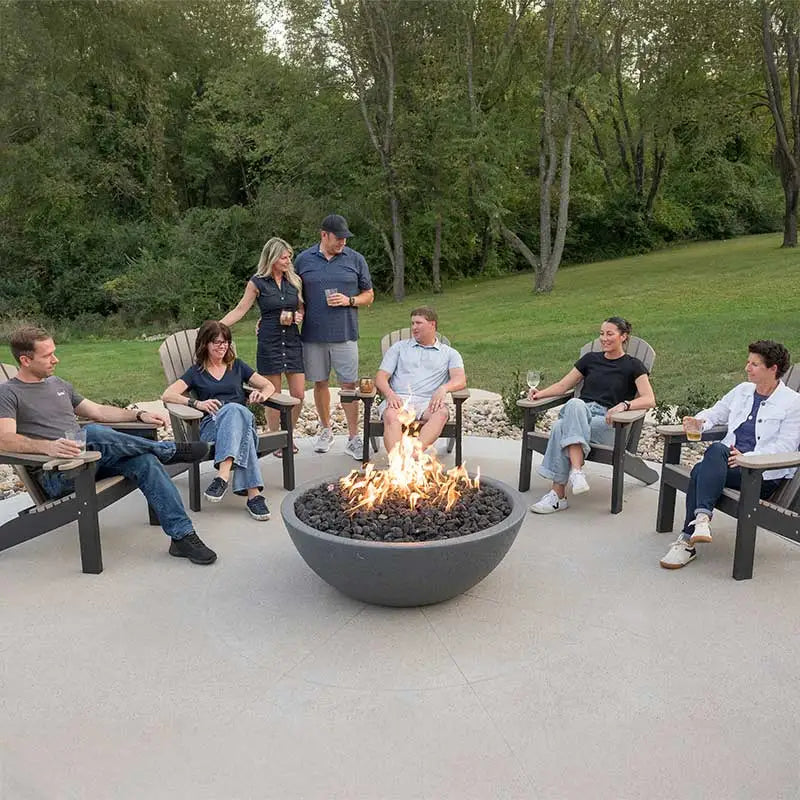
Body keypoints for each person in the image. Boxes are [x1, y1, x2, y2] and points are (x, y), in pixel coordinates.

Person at [0, 327, 217, 565]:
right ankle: (170, 451)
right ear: (25, 360)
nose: (56, 359)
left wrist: (139, 415)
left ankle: (182, 537)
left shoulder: (58, 383)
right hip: (57, 473)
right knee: (91, 432)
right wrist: (48, 447)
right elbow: (5, 439)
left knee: (144, 461)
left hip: (91, 462)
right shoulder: (9, 393)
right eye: (47, 355)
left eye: (54, 352)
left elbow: (98, 411)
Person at [660, 340, 800, 570]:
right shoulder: (743, 391)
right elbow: (717, 412)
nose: (747, 368)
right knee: (715, 453)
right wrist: (700, 421)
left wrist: (749, 458)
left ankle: (688, 538)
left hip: (760, 474)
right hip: (726, 464)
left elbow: (786, 446)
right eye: (748, 362)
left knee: (700, 469)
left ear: (773, 369)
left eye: (754, 364)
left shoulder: (793, 403)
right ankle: (701, 522)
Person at [529, 316, 656, 514]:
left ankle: (558, 495)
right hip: (580, 413)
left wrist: (624, 405)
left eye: (610, 334)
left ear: (623, 336)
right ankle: (576, 474)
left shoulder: (634, 365)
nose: (604, 338)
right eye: (601, 334)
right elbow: (564, 385)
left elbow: (649, 399)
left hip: (608, 422)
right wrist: (539, 394)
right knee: (575, 406)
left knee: (560, 427)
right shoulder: (590, 359)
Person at [161, 321, 276, 521]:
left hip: (241, 421)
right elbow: (168, 394)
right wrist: (197, 404)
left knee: (234, 410)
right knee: (237, 417)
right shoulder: (197, 372)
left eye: (226, 342)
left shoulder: (237, 366)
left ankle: (222, 476)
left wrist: (262, 395)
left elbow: (268, 385)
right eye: (217, 342)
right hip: (211, 426)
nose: (223, 347)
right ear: (205, 344)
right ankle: (253, 496)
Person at [294, 214, 374, 460]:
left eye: (345, 238)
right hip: (313, 335)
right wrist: (297, 311)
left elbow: (369, 295)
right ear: (324, 235)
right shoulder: (303, 260)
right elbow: (294, 294)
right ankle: (326, 430)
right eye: (338, 238)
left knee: (348, 385)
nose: (343, 243)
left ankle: (353, 437)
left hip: (345, 333)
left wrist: (350, 300)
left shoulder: (355, 259)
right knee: (320, 383)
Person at [220, 236, 304, 446]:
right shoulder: (257, 282)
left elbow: (301, 306)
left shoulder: (294, 280)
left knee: (299, 394)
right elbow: (240, 309)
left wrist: (299, 315)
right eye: (283, 258)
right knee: (273, 395)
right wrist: (217, 327)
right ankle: (276, 438)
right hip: (270, 341)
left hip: (292, 341)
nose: (287, 261)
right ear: (272, 258)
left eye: (289, 257)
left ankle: (289, 435)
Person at [374, 307, 466, 454]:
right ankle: (397, 462)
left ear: (432, 325)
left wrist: (443, 389)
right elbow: (380, 377)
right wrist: (390, 394)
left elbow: (460, 379)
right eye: (412, 323)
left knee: (441, 414)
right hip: (399, 399)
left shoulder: (449, 353)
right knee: (391, 415)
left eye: (418, 323)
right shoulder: (399, 348)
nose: (414, 327)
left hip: (429, 402)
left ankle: (415, 456)